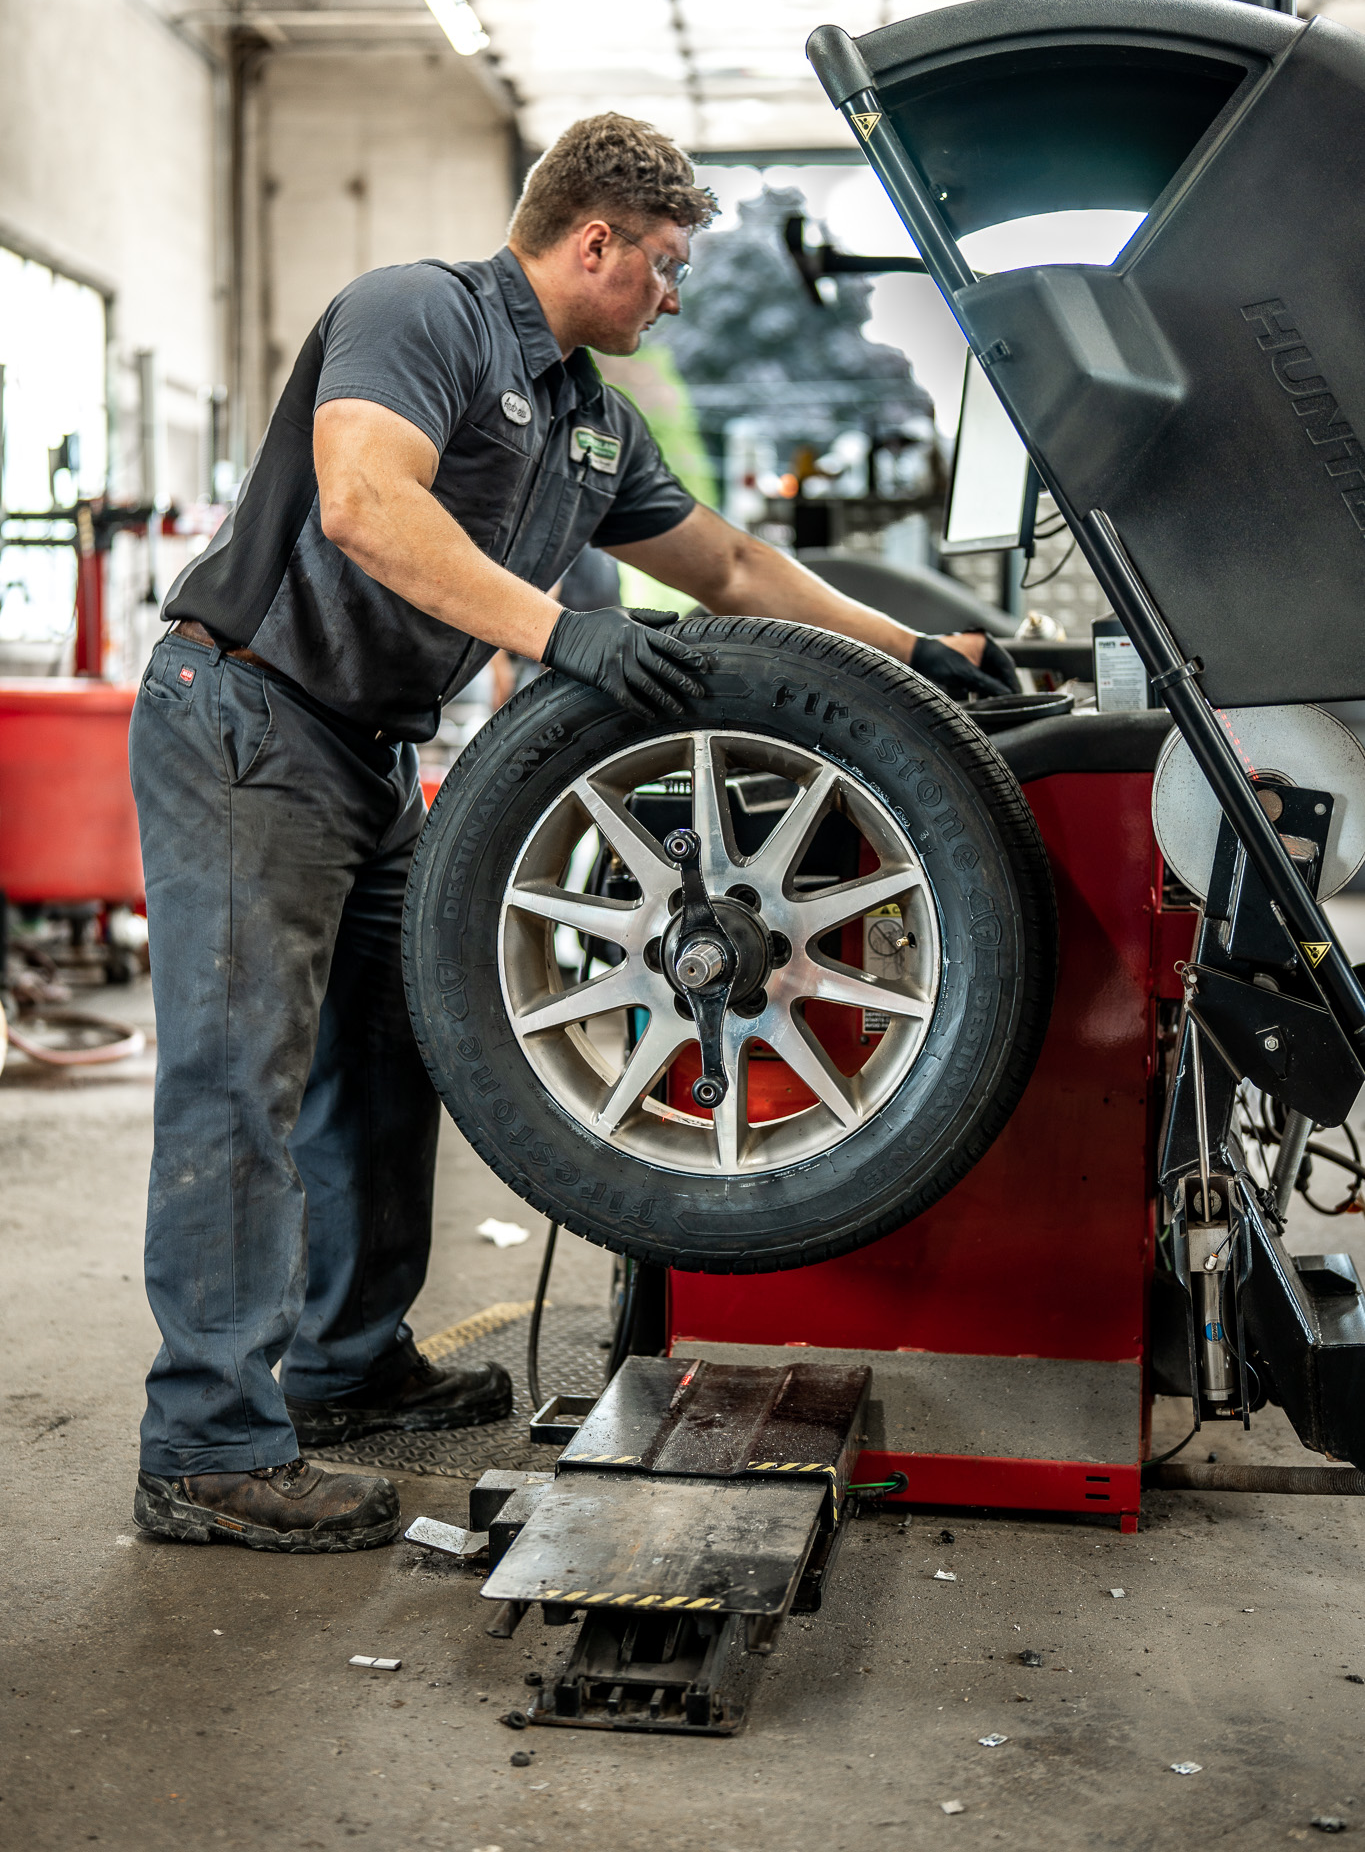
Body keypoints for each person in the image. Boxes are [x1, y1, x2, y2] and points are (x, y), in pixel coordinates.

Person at [129, 113, 1016, 1555]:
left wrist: (920, 652)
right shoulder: (423, 315)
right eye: (661, 267)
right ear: (591, 238)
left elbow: (726, 565)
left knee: (389, 1051)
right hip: (245, 716)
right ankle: (205, 1448)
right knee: (240, 1079)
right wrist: (564, 636)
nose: (671, 295)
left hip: (369, 753)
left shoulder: (593, 417)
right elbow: (362, 502)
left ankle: (344, 1368)